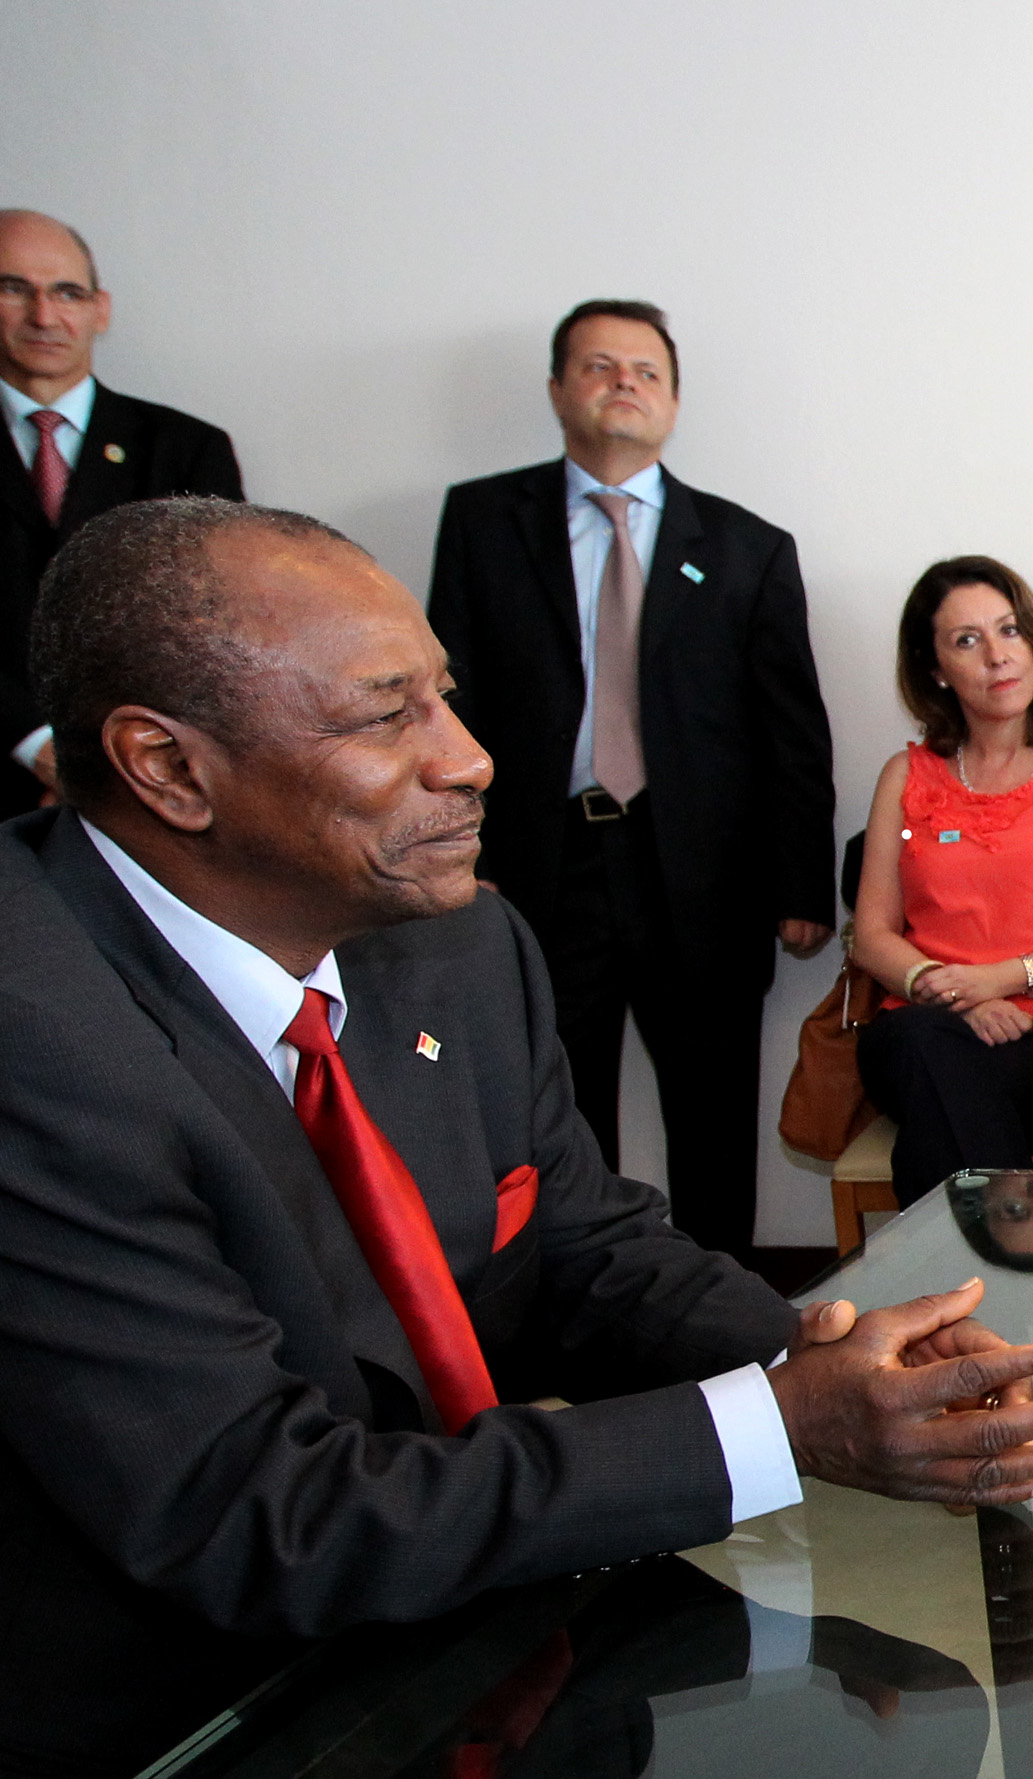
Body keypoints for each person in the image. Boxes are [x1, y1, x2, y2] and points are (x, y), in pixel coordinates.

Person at [0, 499, 1033, 1779]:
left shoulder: (457, 933)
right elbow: (261, 1513)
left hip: (476, 1618)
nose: (471, 759)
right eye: (385, 719)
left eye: (450, 698)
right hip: (192, 1757)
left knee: (896, 1725)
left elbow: (573, 1237)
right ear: (169, 768)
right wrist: (782, 1425)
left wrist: (833, 1357)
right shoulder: (1, 1028)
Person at [425, 299, 837, 1262]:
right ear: (560, 389)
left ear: (676, 400)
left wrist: (800, 884)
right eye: (601, 366)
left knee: (713, 1111)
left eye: (646, 371)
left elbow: (792, 730)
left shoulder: (746, 547)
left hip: (704, 875)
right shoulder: (485, 522)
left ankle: (725, 1320)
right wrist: (455, 849)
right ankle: (584, 1311)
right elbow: (445, 698)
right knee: (552, 1113)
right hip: (538, 865)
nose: (624, 384)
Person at [0, 208, 240, 887]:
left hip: (143, 791)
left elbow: (206, 621)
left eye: (67, 292)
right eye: (14, 287)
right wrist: (40, 746)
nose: (45, 314)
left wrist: (96, 761)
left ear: (100, 310)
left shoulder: (187, 449)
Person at [845, 556, 1033, 1209]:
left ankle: (956, 1300)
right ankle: (1011, 1294)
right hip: (925, 1023)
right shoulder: (906, 776)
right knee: (925, 1046)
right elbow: (871, 936)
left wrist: (1003, 978)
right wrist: (956, 994)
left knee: (938, 1114)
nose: (996, 655)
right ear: (934, 670)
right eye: (966, 640)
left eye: (1009, 630)